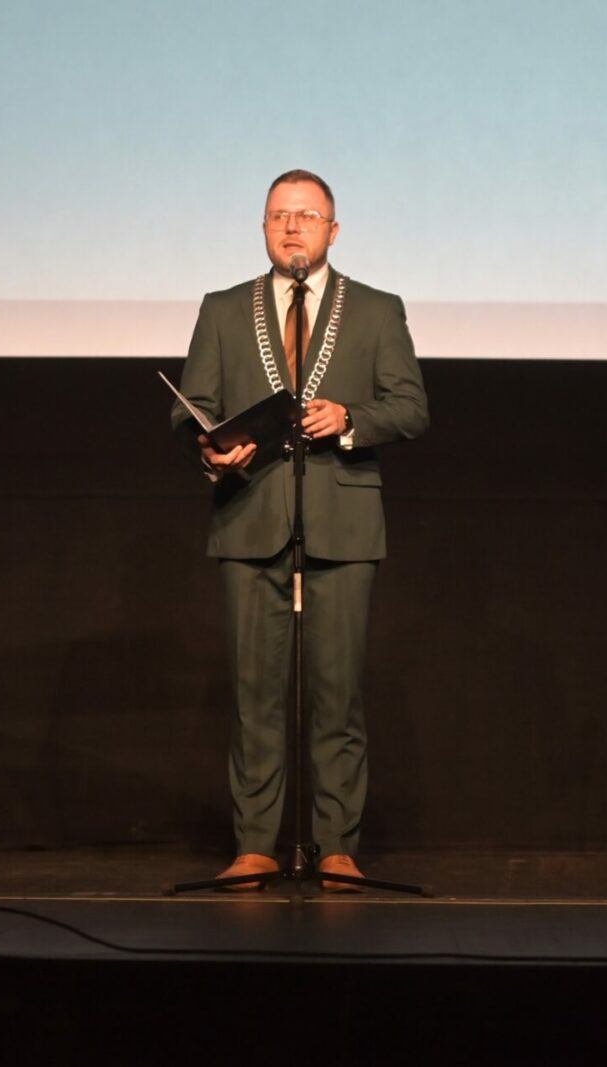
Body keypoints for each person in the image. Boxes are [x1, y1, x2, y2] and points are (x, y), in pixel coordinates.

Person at [171, 169, 429, 890]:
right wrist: (211, 448)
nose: (292, 226)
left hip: (343, 521)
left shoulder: (376, 309)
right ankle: (256, 844)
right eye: (279, 215)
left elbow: (411, 407)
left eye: (307, 215)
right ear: (262, 227)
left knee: (336, 694)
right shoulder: (224, 308)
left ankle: (336, 843)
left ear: (333, 231)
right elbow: (190, 407)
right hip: (249, 514)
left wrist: (351, 419)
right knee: (255, 694)